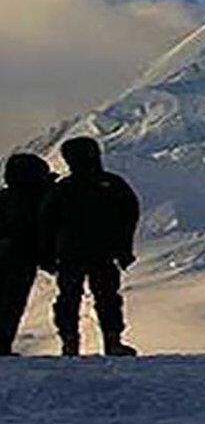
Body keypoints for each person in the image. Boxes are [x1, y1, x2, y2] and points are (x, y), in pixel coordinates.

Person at [40, 137, 139, 357]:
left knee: (74, 297)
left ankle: (73, 343)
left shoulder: (65, 187)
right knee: (102, 297)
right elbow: (128, 217)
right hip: (94, 252)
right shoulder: (111, 184)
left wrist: (47, 255)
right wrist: (124, 248)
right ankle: (107, 342)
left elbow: (46, 223)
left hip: (76, 252)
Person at [0, 154, 56, 356]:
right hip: (22, 259)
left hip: (21, 258)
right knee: (12, 304)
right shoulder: (41, 198)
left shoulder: (9, 198)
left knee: (11, 303)